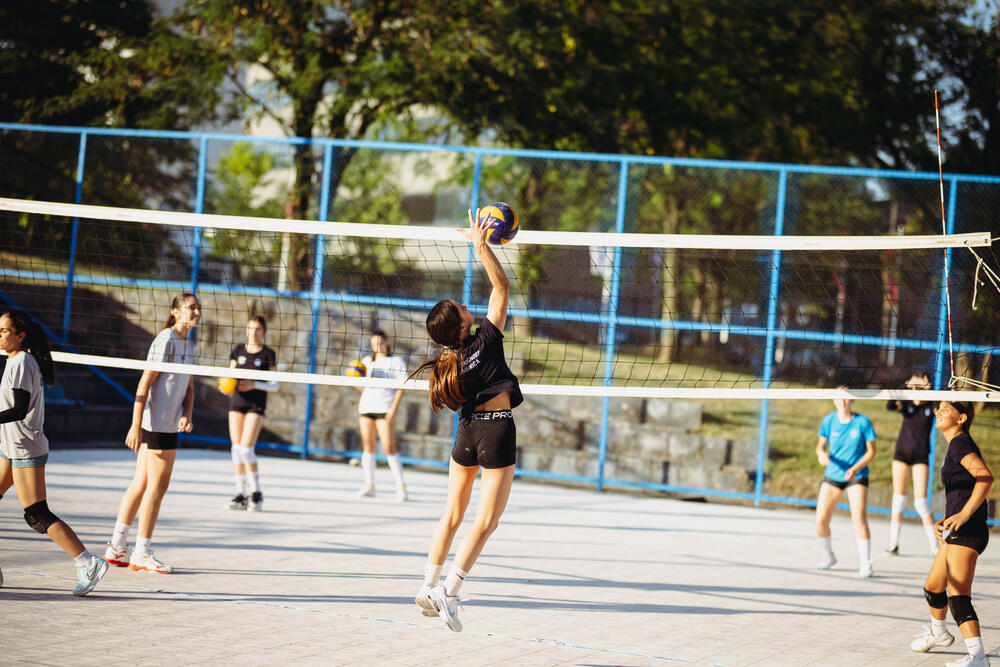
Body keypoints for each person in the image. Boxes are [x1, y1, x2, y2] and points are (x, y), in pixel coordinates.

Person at [410, 209, 522, 632]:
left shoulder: (449, 361)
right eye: (460, 306)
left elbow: (495, 292)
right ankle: (449, 592)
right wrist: (481, 246)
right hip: (495, 429)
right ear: (460, 324)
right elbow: (502, 285)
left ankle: (427, 583)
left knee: (451, 514)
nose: (464, 302)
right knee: (486, 522)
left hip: (467, 431)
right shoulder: (487, 340)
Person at [0, 309, 108, 596]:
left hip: (25, 448)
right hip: (11, 447)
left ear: (20, 336)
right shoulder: (15, 360)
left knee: (36, 514)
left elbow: (19, 409)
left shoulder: (22, 361)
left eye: (3, 331)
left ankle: (89, 563)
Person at [103, 293, 200, 574]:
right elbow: (144, 384)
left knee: (142, 484)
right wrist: (135, 425)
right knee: (156, 487)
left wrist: (188, 414)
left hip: (169, 423)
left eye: (198, 308)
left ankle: (117, 547)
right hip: (156, 424)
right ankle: (142, 552)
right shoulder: (166, 339)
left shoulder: (188, 343)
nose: (196, 311)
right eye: (191, 307)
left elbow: (190, 387)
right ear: (176, 311)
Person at [909, 400, 993, 666]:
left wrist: (963, 515)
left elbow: (985, 478)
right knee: (934, 588)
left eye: (945, 409)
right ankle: (940, 633)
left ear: (961, 417)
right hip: (958, 527)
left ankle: (977, 657)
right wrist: (947, 518)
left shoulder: (960, 443)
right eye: (939, 408)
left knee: (958, 596)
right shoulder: (955, 444)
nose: (938, 412)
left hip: (968, 530)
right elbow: (963, 492)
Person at [814, 387, 877, 577]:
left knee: (858, 517)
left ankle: (866, 563)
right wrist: (821, 454)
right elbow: (820, 446)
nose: (842, 402)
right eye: (839, 398)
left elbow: (871, 452)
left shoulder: (863, 422)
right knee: (821, 520)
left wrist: (855, 468)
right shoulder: (828, 420)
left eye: (846, 398)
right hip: (834, 474)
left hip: (856, 475)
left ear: (852, 401)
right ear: (834, 400)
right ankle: (828, 556)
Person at [226, 316, 277, 512]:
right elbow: (229, 377)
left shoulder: (268, 354)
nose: (253, 332)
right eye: (250, 328)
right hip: (237, 402)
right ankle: (241, 495)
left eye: (257, 329)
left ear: (263, 331)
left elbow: (275, 385)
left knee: (247, 450)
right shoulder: (238, 350)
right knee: (236, 449)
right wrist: (226, 386)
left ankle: (256, 492)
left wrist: (253, 384)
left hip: (256, 404)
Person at [885, 372, 939, 556]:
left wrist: (927, 387)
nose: (916, 388)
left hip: (920, 456)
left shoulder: (932, 405)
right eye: (914, 384)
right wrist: (906, 384)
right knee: (898, 500)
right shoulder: (906, 402)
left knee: (921, 502)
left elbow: (940, 401)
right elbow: (890, 404)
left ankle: (934, 545)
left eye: (920, 384)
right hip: (901, 454)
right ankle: (894, 544)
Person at [356, 329, 408, 502]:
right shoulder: (366, 361)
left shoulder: (396, 361)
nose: (378, 346)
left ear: (387, 342)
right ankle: (369, 485)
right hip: (366, 407)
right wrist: (354, 377)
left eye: (380, 343)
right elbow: (362, 386)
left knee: (389, 447)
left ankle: (401, 487)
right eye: (374, 344)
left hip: (384, 408)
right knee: (368, 447)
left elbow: (401, 387)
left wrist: (393, 409)